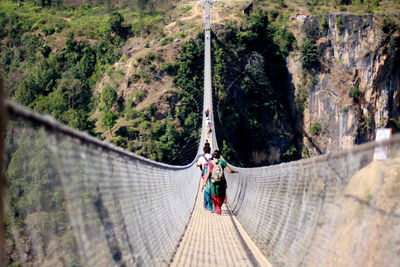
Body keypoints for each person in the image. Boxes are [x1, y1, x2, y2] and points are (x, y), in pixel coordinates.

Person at [202, 150, 238, 214]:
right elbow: (230, 171)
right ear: (219, 155)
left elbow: (208, 174)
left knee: (214, 195)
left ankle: (216, 207)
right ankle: (219, 207)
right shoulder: (222, 162)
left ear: (213, 156)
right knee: (222, 195)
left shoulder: (210, 163)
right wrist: (236, 171)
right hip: (222, 182)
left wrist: (204, 182)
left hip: (213, 182)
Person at [197, 143, 213, 211]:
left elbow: (197, 165)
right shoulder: (213, 157)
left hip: (205, 174)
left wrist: (201, 164)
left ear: (204, 151)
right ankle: (211, 205)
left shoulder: (201, 157)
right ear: (210, 150)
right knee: (211, 189)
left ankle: (206, 205)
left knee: (206, 189)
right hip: (212, 174)